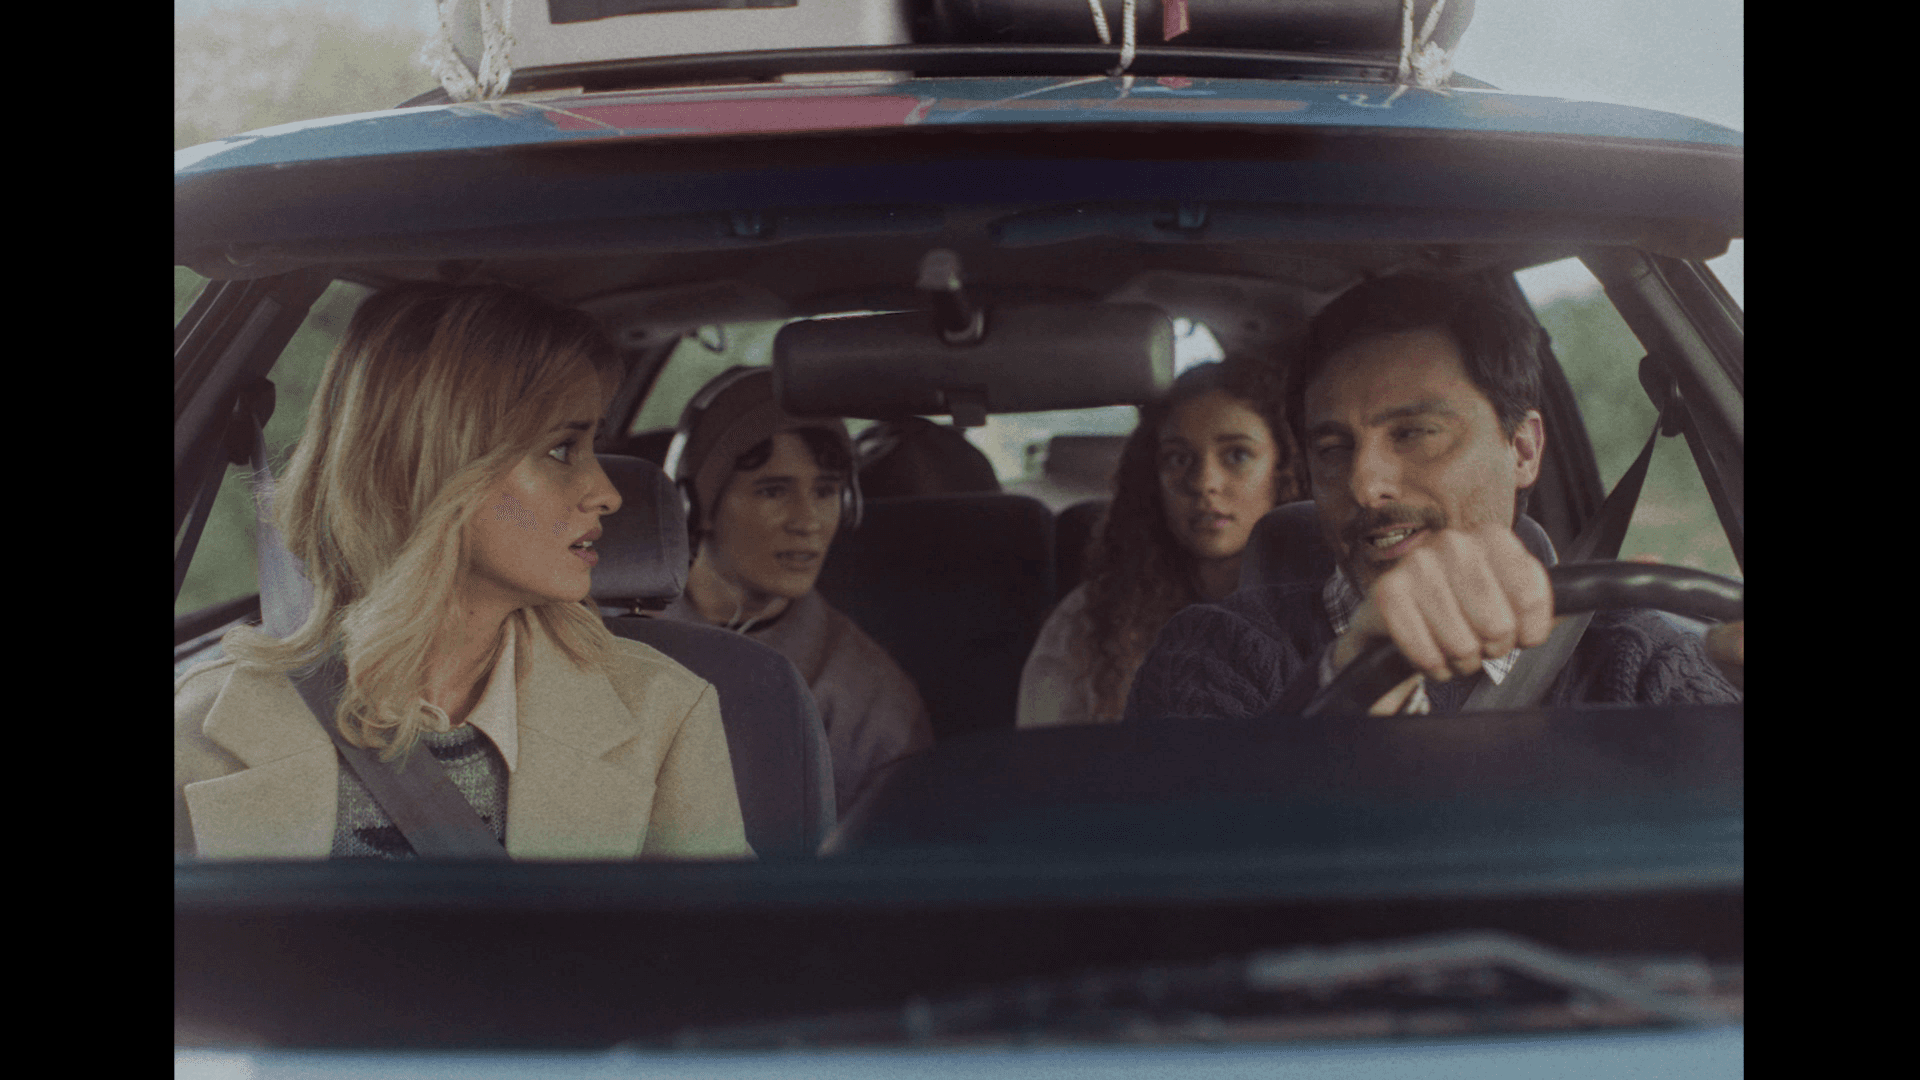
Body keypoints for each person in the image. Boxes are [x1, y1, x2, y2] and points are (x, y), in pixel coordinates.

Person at [175, 283, 752, 860]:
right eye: (561, 449)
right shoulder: (197, 727)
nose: (607, 494)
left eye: (591, 446)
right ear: (434, 465)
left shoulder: (662, 711)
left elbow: (719, 925)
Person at [1123, 275, 1744, 721]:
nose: (1365, 486)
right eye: (1333, 448)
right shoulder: (1214, 653)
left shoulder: (1640, 664)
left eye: (1415, 434)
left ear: (1523, 449)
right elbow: (1190, 856)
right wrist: (1347, 684)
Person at [656, 368, 934, 816]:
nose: (808, 521)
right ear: (693, 506)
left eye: (825, 492)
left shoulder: (870, 699)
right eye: (773, 491)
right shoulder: (598, 634)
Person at [1018, 359, 1303, 727]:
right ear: (1154, 479)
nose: (1203, 482)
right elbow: (1043, 756)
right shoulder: (1091, 619)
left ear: (1284, 470)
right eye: (1178, 459)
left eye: (1237, 455)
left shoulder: (1334, 608)